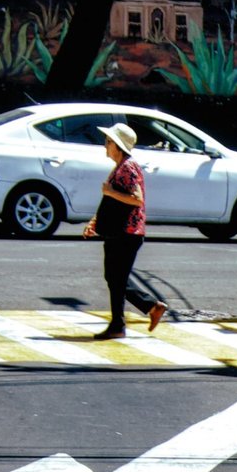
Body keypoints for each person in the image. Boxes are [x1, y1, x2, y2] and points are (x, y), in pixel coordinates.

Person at [82, 123, 168, 340]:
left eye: (109, 142)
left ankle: (122, 323)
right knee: (114, 278)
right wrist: (95, 221)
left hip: (128, 233)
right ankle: (146, 310)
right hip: (120, 232)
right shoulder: (120, 166)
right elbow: (110, 202)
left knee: (116, 279)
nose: (106, 145)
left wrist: (110, 191)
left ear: (118, 146)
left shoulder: (127, 167)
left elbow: (137, 199)